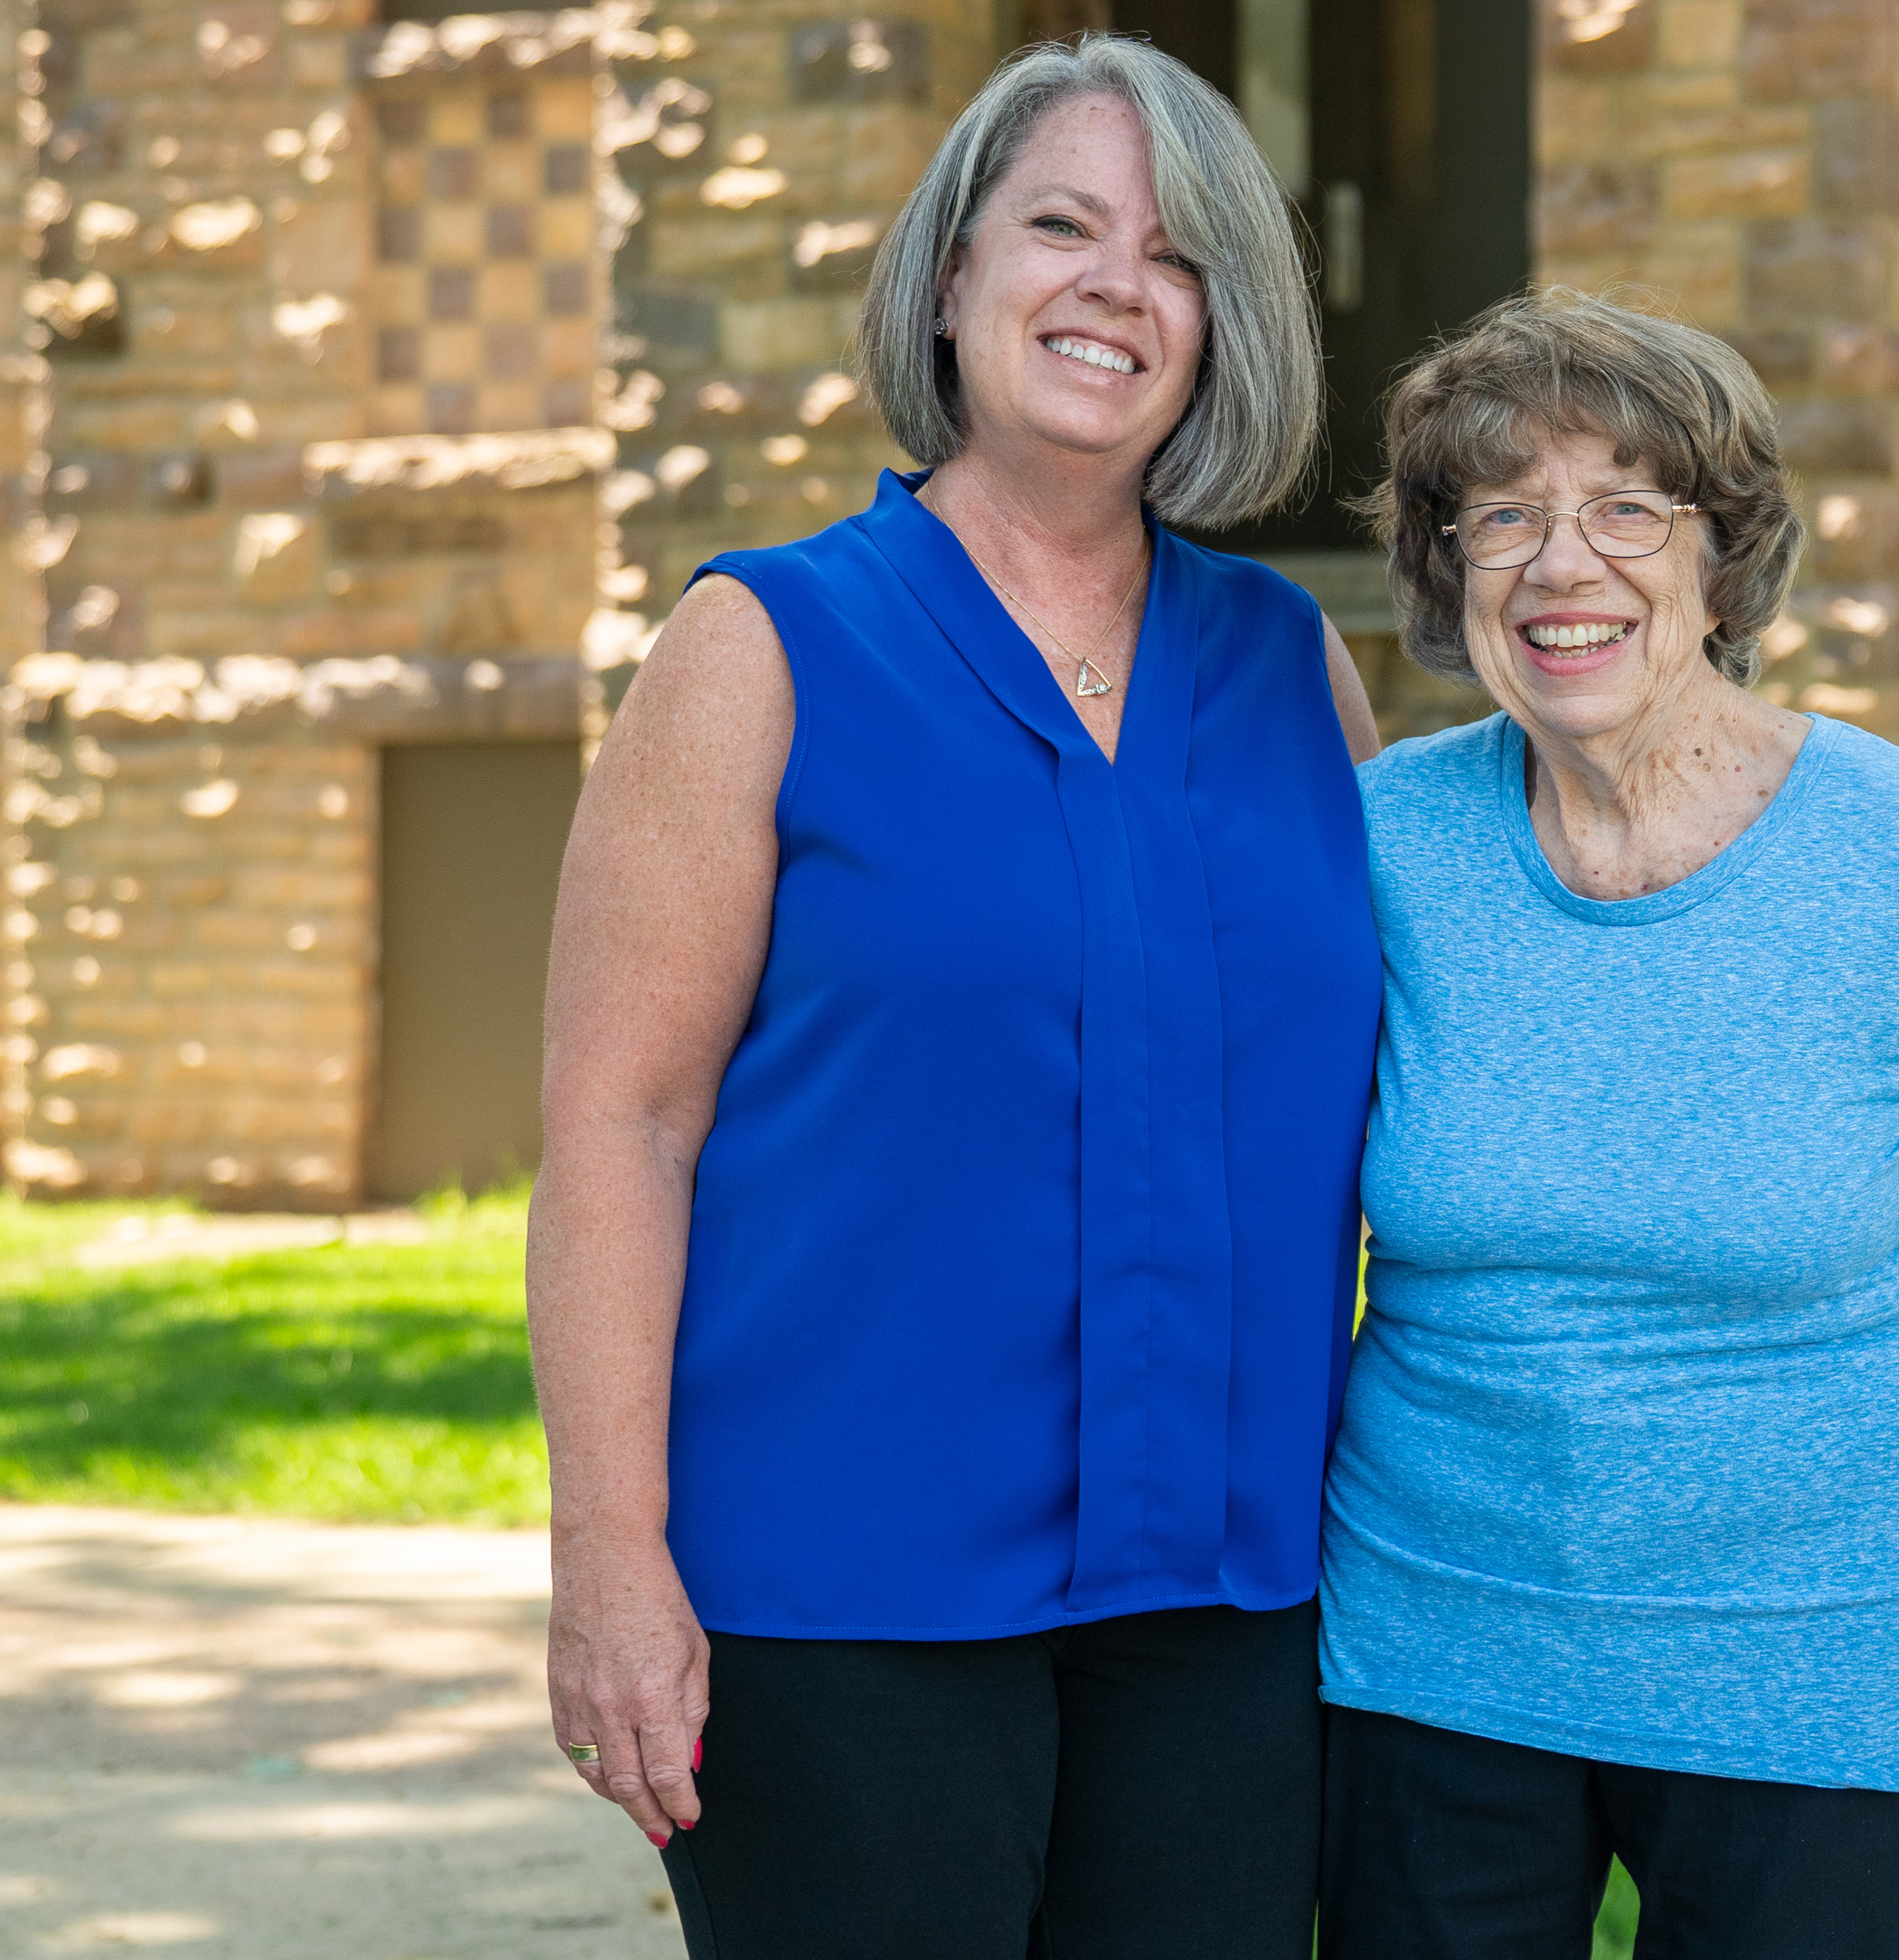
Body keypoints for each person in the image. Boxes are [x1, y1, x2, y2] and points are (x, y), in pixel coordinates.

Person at [524, 34, 1380, 1959]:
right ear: (946, 279)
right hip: (843, 1605)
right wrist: (608, 1557)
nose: (1112, 285)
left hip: (1234, 1612)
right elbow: (620, 1123)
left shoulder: (1297, 671)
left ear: (1220, 323)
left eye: (1173, 256)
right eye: (1060, 226)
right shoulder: (762, 645)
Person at [1315, 288, 1899, 1959]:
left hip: (1818, 1671)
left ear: (1720, 556)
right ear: (1448, 567)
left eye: (1627, 508)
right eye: (1506, 516)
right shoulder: (1384, 847)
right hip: (1440, 1654)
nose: (1563, 566)